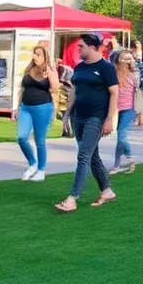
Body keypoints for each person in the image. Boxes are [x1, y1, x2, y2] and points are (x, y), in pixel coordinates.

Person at [56, 34, 119, 212]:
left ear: (92, 47)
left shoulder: (106, 68)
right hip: (79, 116)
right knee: (92, 156)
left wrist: (109, 119)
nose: (78, 49)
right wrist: (67, 113)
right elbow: (74, 90)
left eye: (81, 46)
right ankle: (107, 191)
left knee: (83, 156)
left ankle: (72, 197)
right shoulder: (80, 67)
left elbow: (114, 93)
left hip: (96, 117)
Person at [13, 43, 59, 182]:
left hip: (42, 107)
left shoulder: (49, 70)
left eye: (38, 54)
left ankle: (41, 170)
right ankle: (33, 163)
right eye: (34, 53)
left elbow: (55, 88)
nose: (35, 57)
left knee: (40, 140)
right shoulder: (29, 69)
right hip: (26, 107)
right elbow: (22, 89)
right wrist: (17, 107)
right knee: (22, 137)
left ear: (45, 57)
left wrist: (50, 74)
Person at [111, 49, 140, 174]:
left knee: (121, 135)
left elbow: (138, 90)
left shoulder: (133, 75)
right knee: (120, 138)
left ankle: (130, 156)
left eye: (129, 58)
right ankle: (117, 165)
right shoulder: (113, 73)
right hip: (117, 109)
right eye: (124, 58)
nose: (127, 61)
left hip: (129, 109)